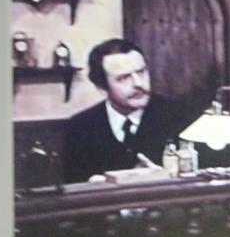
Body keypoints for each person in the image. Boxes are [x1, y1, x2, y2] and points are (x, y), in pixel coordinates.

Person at [62, 38, 194, 183]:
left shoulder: (180, 116)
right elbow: (72, 185)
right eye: (124, 78)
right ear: (101, 86)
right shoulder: (80, 128)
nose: (138, 83)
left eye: (141, 72)